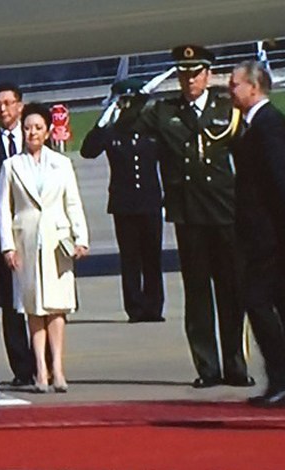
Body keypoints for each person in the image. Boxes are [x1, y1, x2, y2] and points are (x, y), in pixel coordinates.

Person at [134, 45, 253, 389]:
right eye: (183, 74)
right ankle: (208, 367)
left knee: (231, 292)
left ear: (207, 75)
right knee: (198, 294)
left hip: (224, 212)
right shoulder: (165, 111)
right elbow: (126, 124)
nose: (189, 80)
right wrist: (133, 96)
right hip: (189, 215)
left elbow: (247, 157)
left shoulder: (226, 108)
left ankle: (235, 365)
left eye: (195, 73)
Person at [0, 103, 88, 393]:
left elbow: (72, 201)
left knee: (57, 306)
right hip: (25, 240)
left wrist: (80, 237)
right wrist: (7, 247)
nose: (32, 133)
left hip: (56, 240)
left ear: (48, 131)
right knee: (33, 307)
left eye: (38, 128)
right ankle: (40, 369)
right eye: (27, 128)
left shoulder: (61, 163)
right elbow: (3, 209)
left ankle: (58, 368)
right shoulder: (11, 166)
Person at [81, 79, 164, 323]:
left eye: (129, 101)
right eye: (122, 101)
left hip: (149, 202)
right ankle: (135, 308)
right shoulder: (112, 132)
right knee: (130, 259)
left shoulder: (151, 129)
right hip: (124, 204)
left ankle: (154, 307)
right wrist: (104, 119)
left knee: (152, 257)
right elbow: (88, 151)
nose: (126, 106)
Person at [228, 60, 285, 407]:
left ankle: (280, 377)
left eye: (234, 84)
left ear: (254, 87)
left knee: (258, 301)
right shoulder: (252, 125)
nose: (229, 90)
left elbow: (278, 182)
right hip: (261, 236)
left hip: (270, 238)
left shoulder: (268, 126)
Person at [0, 82, 35, 387]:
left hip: (34, 232)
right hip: (2, 236)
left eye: (8, 103)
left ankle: (44, 362)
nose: (3, 109)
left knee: (38, 300)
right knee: (11, 305)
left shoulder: (34, 140)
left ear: (20, 106)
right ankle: (22, 368)